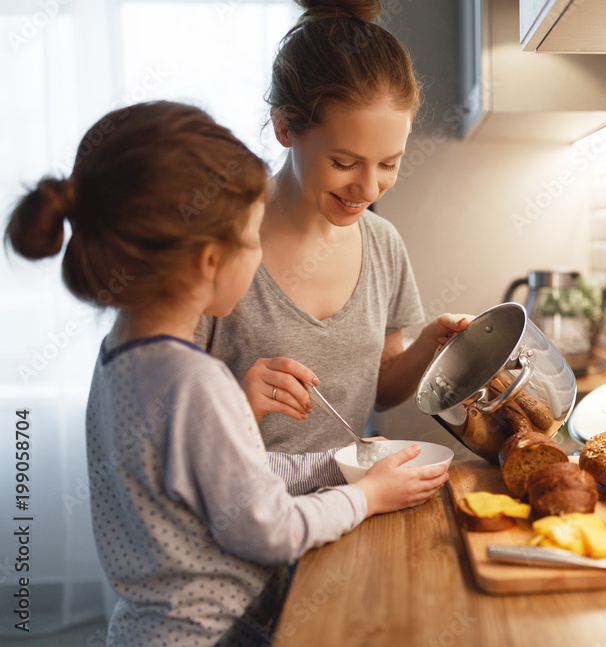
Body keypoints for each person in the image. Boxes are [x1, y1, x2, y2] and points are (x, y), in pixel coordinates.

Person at [4, 100, 449, 645]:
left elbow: (235, 476)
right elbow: (270, 530)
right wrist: (368, 497)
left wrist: (341, 466)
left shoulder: (120, 358)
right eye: (251, 240)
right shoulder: (196, 382)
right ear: (209, 261)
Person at [196, 0, 469, 494]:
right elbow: (160, 420)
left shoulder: (383, 245)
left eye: (389, 164)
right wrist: (239, 401)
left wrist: (429, 343)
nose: (368, 189)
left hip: (344, 511)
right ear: (284, 128)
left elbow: (380, 389)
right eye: (344, 162)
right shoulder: (216, 245)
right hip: (235, 514)